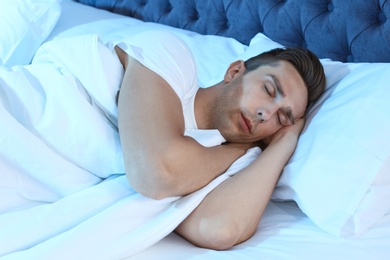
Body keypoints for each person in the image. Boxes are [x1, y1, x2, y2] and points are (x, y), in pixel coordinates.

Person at [114, 31, 326, 250]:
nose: (266, 114)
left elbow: (217, 229)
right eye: (268, 90)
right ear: (234, 72)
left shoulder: (238, 162)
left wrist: (285, 142)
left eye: (282, 118)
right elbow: (155, 175)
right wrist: (240, 148)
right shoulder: (170, 56)